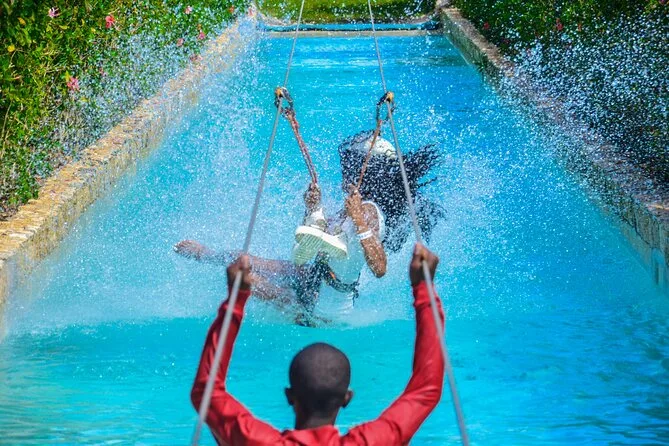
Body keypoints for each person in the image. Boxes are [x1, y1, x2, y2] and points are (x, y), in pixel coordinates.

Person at [175, 131, 443, 325]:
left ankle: (203, 255)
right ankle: (205, 254)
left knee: (243, 278)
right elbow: (316, 239)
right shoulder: (354, 204)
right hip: (314, 278)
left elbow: (380, 268)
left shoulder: (368, 212)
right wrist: (312, 208)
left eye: (349, 165)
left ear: (368, 173)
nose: (344, 171)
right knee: (244, 259)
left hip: (322, 312)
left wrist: (359, 220)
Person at [191, 243, 445, 445]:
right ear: (347, 398)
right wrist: (424, 289)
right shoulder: (372, 441)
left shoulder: (258, 440)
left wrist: (235, 302)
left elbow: (207, 392)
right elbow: (426, 390)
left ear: (289, 396)